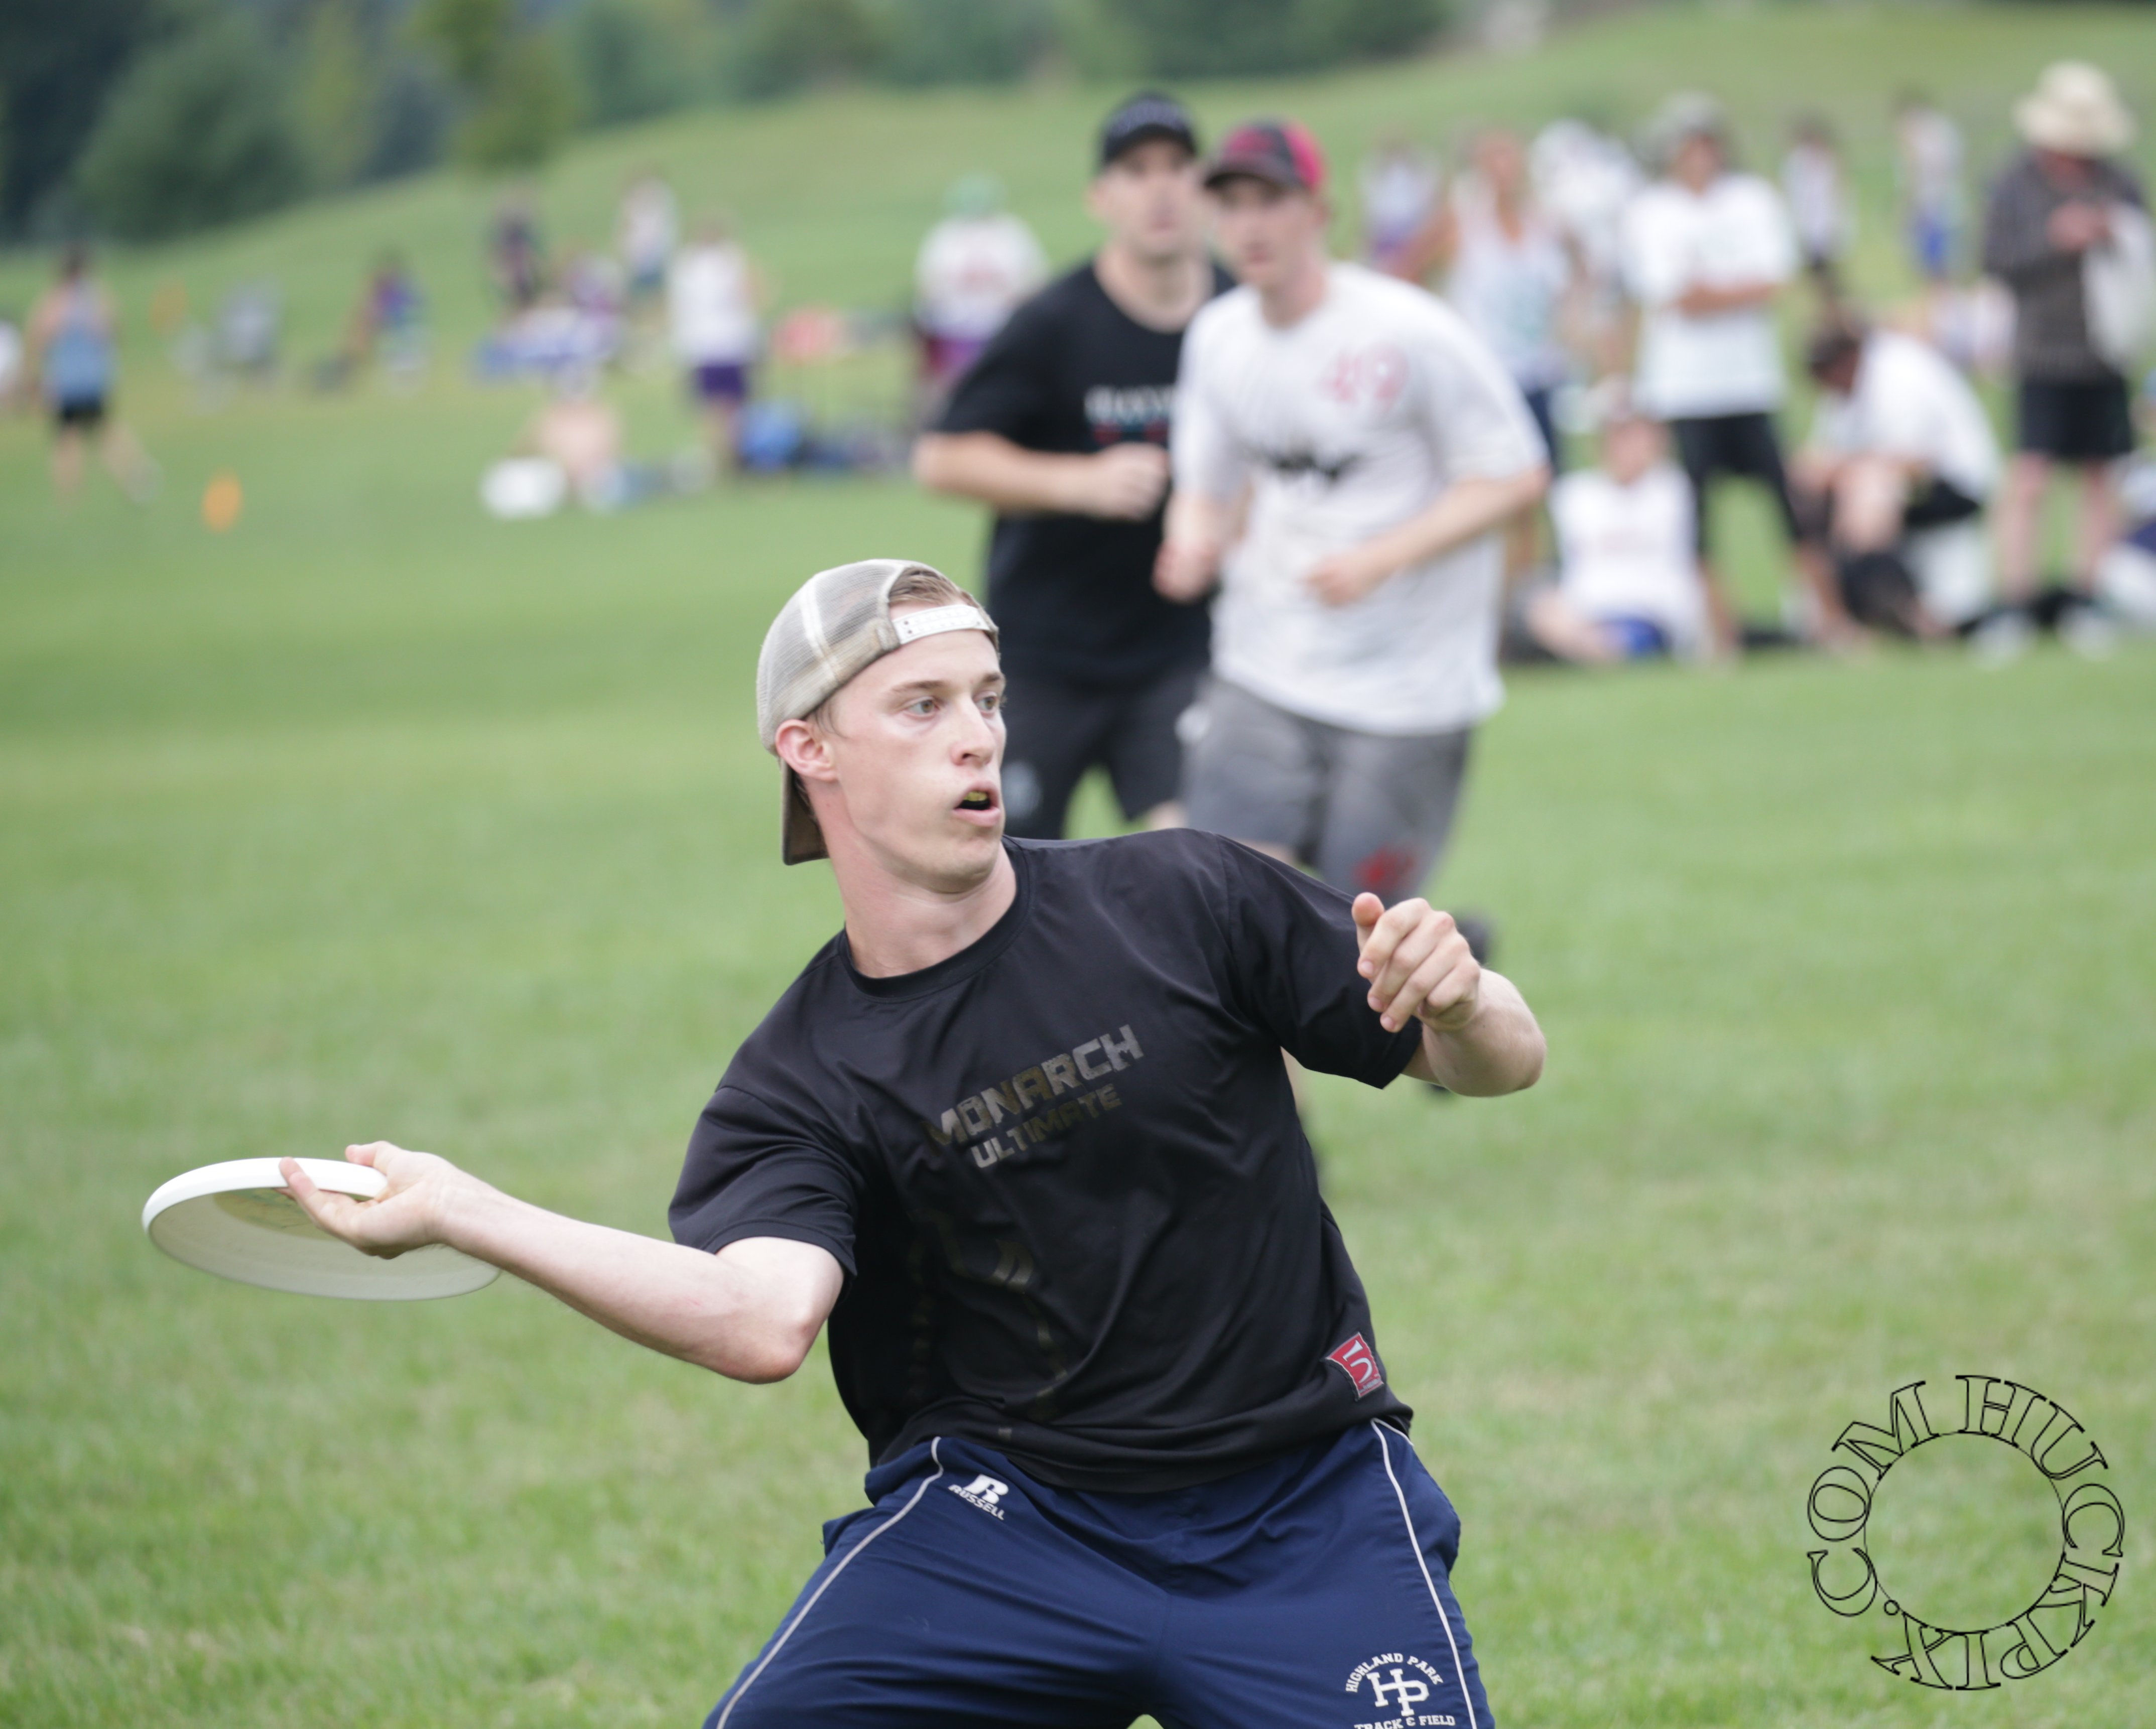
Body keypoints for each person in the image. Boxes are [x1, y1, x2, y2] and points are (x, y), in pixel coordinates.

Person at [279, 555, 1546, 1729]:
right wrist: (464, 1209)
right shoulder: (801, 1078)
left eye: (986, 699)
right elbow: (757, 1320)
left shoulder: (1183, 895)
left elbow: (1499, 1061)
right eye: (922, 706)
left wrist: (1462, 1003)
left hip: (1301, 1507)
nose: (976, 735)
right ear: (808, 747)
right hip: (1008, 1531)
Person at [1158, 120, 1549, 909]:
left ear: (1318, 212)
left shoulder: (1408, 331)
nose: (1249, 225)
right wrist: (1189, 539)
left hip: (1407, 689)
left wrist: (1382, 556)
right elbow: (1204, 485)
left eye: (1269, 200)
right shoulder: (1217, 336)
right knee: (1227, 905)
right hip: (1263, 662)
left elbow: (1515, 475)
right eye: (1230, 204)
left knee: (1358, 933)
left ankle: (1455, 956)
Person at [913, 92, 1229, 838]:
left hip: (1181, 650)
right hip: (1046, 652)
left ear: (1204, 187)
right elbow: (941, 458)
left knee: (1195, 854)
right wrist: (1078, 483)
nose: (1159, 188)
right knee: (1008, 863)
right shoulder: (1054, 322)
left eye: (1177, 167)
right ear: (1100, 197)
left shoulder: (1238, 316)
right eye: (1136, 170)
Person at [1620, 93, 1850, 649]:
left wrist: (1709, 290)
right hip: (1683, 388)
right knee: (1696, 519)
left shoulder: (1751, 199)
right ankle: (1718, 634)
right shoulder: (1651, 212)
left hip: (1749, 381)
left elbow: (1772, 280)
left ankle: (1829, 619)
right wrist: (1730, 290)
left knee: (1788, 506)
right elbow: (1671, 295)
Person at [1979, 61, 2147, 659]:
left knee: (2101, 477)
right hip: (2041, 351)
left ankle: (2084, 598)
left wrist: (2110, 234)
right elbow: (1995, 259)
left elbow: (2142, 250)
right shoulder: (2014, 182)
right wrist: (2054, 239)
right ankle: (2015, 602)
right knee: (2029, 477)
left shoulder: (2117, 181)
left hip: (2104, 348)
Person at [1794, 321, 2000, 638]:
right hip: (1902, 489)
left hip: (1955, 484)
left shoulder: (1899, 375)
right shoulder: (1845, 392)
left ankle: (1906, 608)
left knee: (1871, 491)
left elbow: (1914, 460)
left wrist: (1844, 471)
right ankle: (1839, 611)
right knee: (1830, 494)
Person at [1526, 391, 1708, 662]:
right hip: (1585, 610)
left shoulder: (1671, 490)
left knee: (1617, 639)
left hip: (1650, 610)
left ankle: (1590, 649)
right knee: (1541, 607)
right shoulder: (1575, 494)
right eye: (1621, 437)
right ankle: (1587, 647)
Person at [26, 246, 156, 504]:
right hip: (93, 380)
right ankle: (136, 473)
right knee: (104, 430)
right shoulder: (96, 297)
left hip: (67, 382)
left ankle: (69, 495)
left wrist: (34, 375)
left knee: (66, 438)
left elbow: (39, 336)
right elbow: (113, 331)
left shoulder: (55, 300)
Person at [913, 175, 1048, 408]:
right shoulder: (946, 236)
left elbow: (1034, 281)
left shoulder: (1011, 233)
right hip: (955, 328)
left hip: (1004, 325)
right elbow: (929, 286)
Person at [669, 216, 764, 473]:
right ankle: (730, 459)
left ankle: (722, 459)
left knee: (714, 409)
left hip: (707, 346)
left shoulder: (688, 263)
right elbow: (753, 291)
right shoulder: (729, 260)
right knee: (729, 408)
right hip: (727, 343)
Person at [1895, 91, 1966, 288]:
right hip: (1931, 205)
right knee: (1932, 261)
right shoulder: (1941, 130)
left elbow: (1923, 173)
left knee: (1939, 263)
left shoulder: (1929, 134)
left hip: (1934, 205)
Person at [1781, 114, 1853, 300]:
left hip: (1826, 227)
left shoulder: (1827, 160)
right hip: (1808, 227)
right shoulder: (1797, 163)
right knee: (1816, 275)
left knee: (1828, 274)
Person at [1359, 130, 1442, 279]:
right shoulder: (1377, 170)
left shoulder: (1417, 168)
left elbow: (1428, 197)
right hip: (1388, 229)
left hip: (1411, 226)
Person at [618, 169, 679, 322]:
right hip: (637, 260)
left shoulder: (661, 206)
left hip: (656, 258)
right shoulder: (630, 208)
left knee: (657, 293)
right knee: (639, 297)